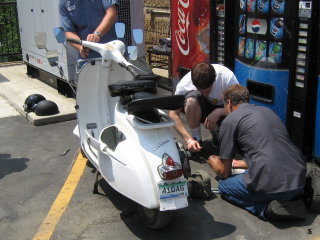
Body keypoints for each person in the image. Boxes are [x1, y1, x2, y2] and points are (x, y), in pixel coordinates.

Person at [207, 84, 307, 221]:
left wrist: (214, 162)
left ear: (229, 103)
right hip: (299, 179)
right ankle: (294, 198)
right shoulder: (268, 111)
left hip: (274, 185)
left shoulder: (230, 121)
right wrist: (238, 163)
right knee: (257, 173)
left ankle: (267, 210)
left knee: (224, 187)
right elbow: (267, 151)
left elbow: (224, 172)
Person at [169, 62, 238, 153]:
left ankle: (217, 129)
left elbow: (240, 106)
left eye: (208, 90)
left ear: (214, 80)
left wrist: (219, 112)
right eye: (200, 90)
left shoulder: (227, 77)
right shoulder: (184, 84)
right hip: (202, 108)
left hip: (224, 108)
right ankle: (197, 140)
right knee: (191, 101)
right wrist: (188, 139)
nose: (205, 94)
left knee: (229, 148)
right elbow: (173, 114)